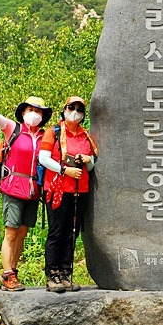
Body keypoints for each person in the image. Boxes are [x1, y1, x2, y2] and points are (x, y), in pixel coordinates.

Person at [0, 85, 52, 292]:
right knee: (11, 232)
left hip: (33, 190)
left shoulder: (45, 136)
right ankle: (7, 274)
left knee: (22, 232)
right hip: (13, 187)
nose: (34, 114)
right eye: (31, 110)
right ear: (23, 112)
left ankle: (13, 270)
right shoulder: (12, 129)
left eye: (39, 111)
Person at [38, 95, 98, 293]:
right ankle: (52, 273)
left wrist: (87, 159)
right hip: (57, 188)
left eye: (80, 109)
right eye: (72, 107)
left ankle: (65, 272)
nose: (75, 112)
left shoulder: (85, 136)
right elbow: (43, 158)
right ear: (64, 109)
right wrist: (65, 170)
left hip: (80, 190)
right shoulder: (53, 133)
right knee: (57, 231)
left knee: (71, 233)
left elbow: (91, 167)